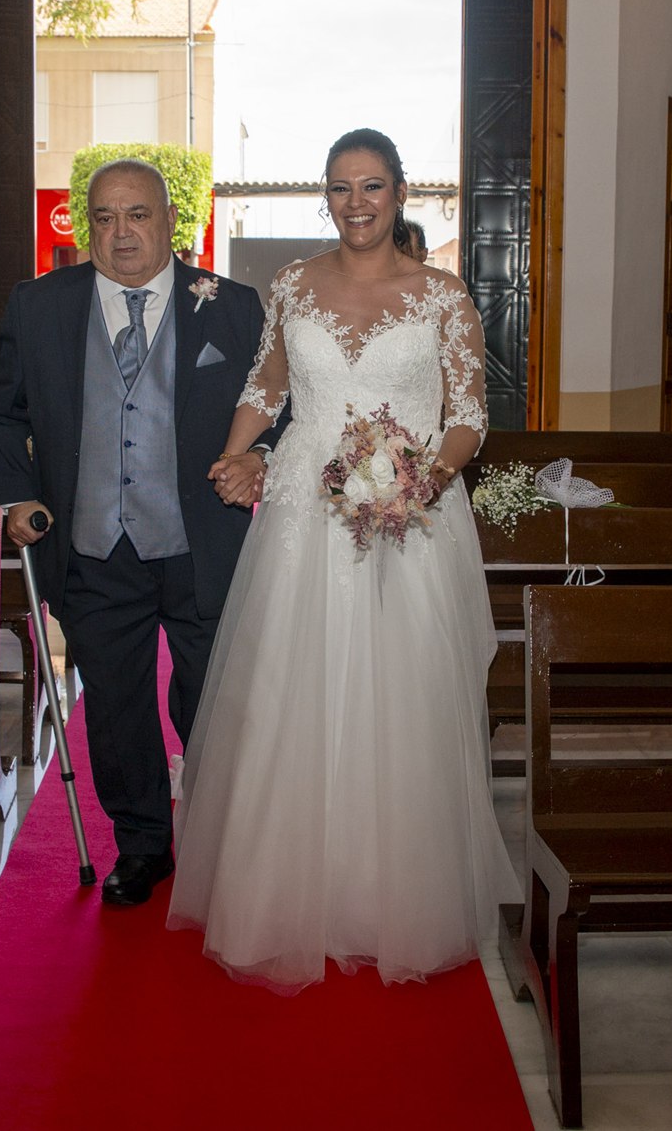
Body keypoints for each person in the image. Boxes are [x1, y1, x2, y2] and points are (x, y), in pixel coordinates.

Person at [167, 128, 518, 991]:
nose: (356, 203)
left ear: (399, 192)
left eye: (371, 186)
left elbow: (470, 416)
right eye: (340, 187)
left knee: (402, 697)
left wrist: (423, 479)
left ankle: (392, 894)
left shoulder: (442, 295)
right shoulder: (293, 283)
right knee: (291, 691)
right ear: (324, 195)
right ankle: (289, 889)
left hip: (411, 512)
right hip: (304, 515)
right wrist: (237, 454)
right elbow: (267, 387)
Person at [0, 159, 271, 906]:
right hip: (93, 545)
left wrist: (259, 455)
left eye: (137, 215)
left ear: (170, 222)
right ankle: (142, 845)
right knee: (116, 705)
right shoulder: (40, 305)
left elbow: (277, 403)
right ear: (88, 227)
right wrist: (16, 493)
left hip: (202, 542)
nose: (121, 233)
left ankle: (216, 832)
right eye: (104, 218)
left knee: (210, 696)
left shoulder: (232, 306)